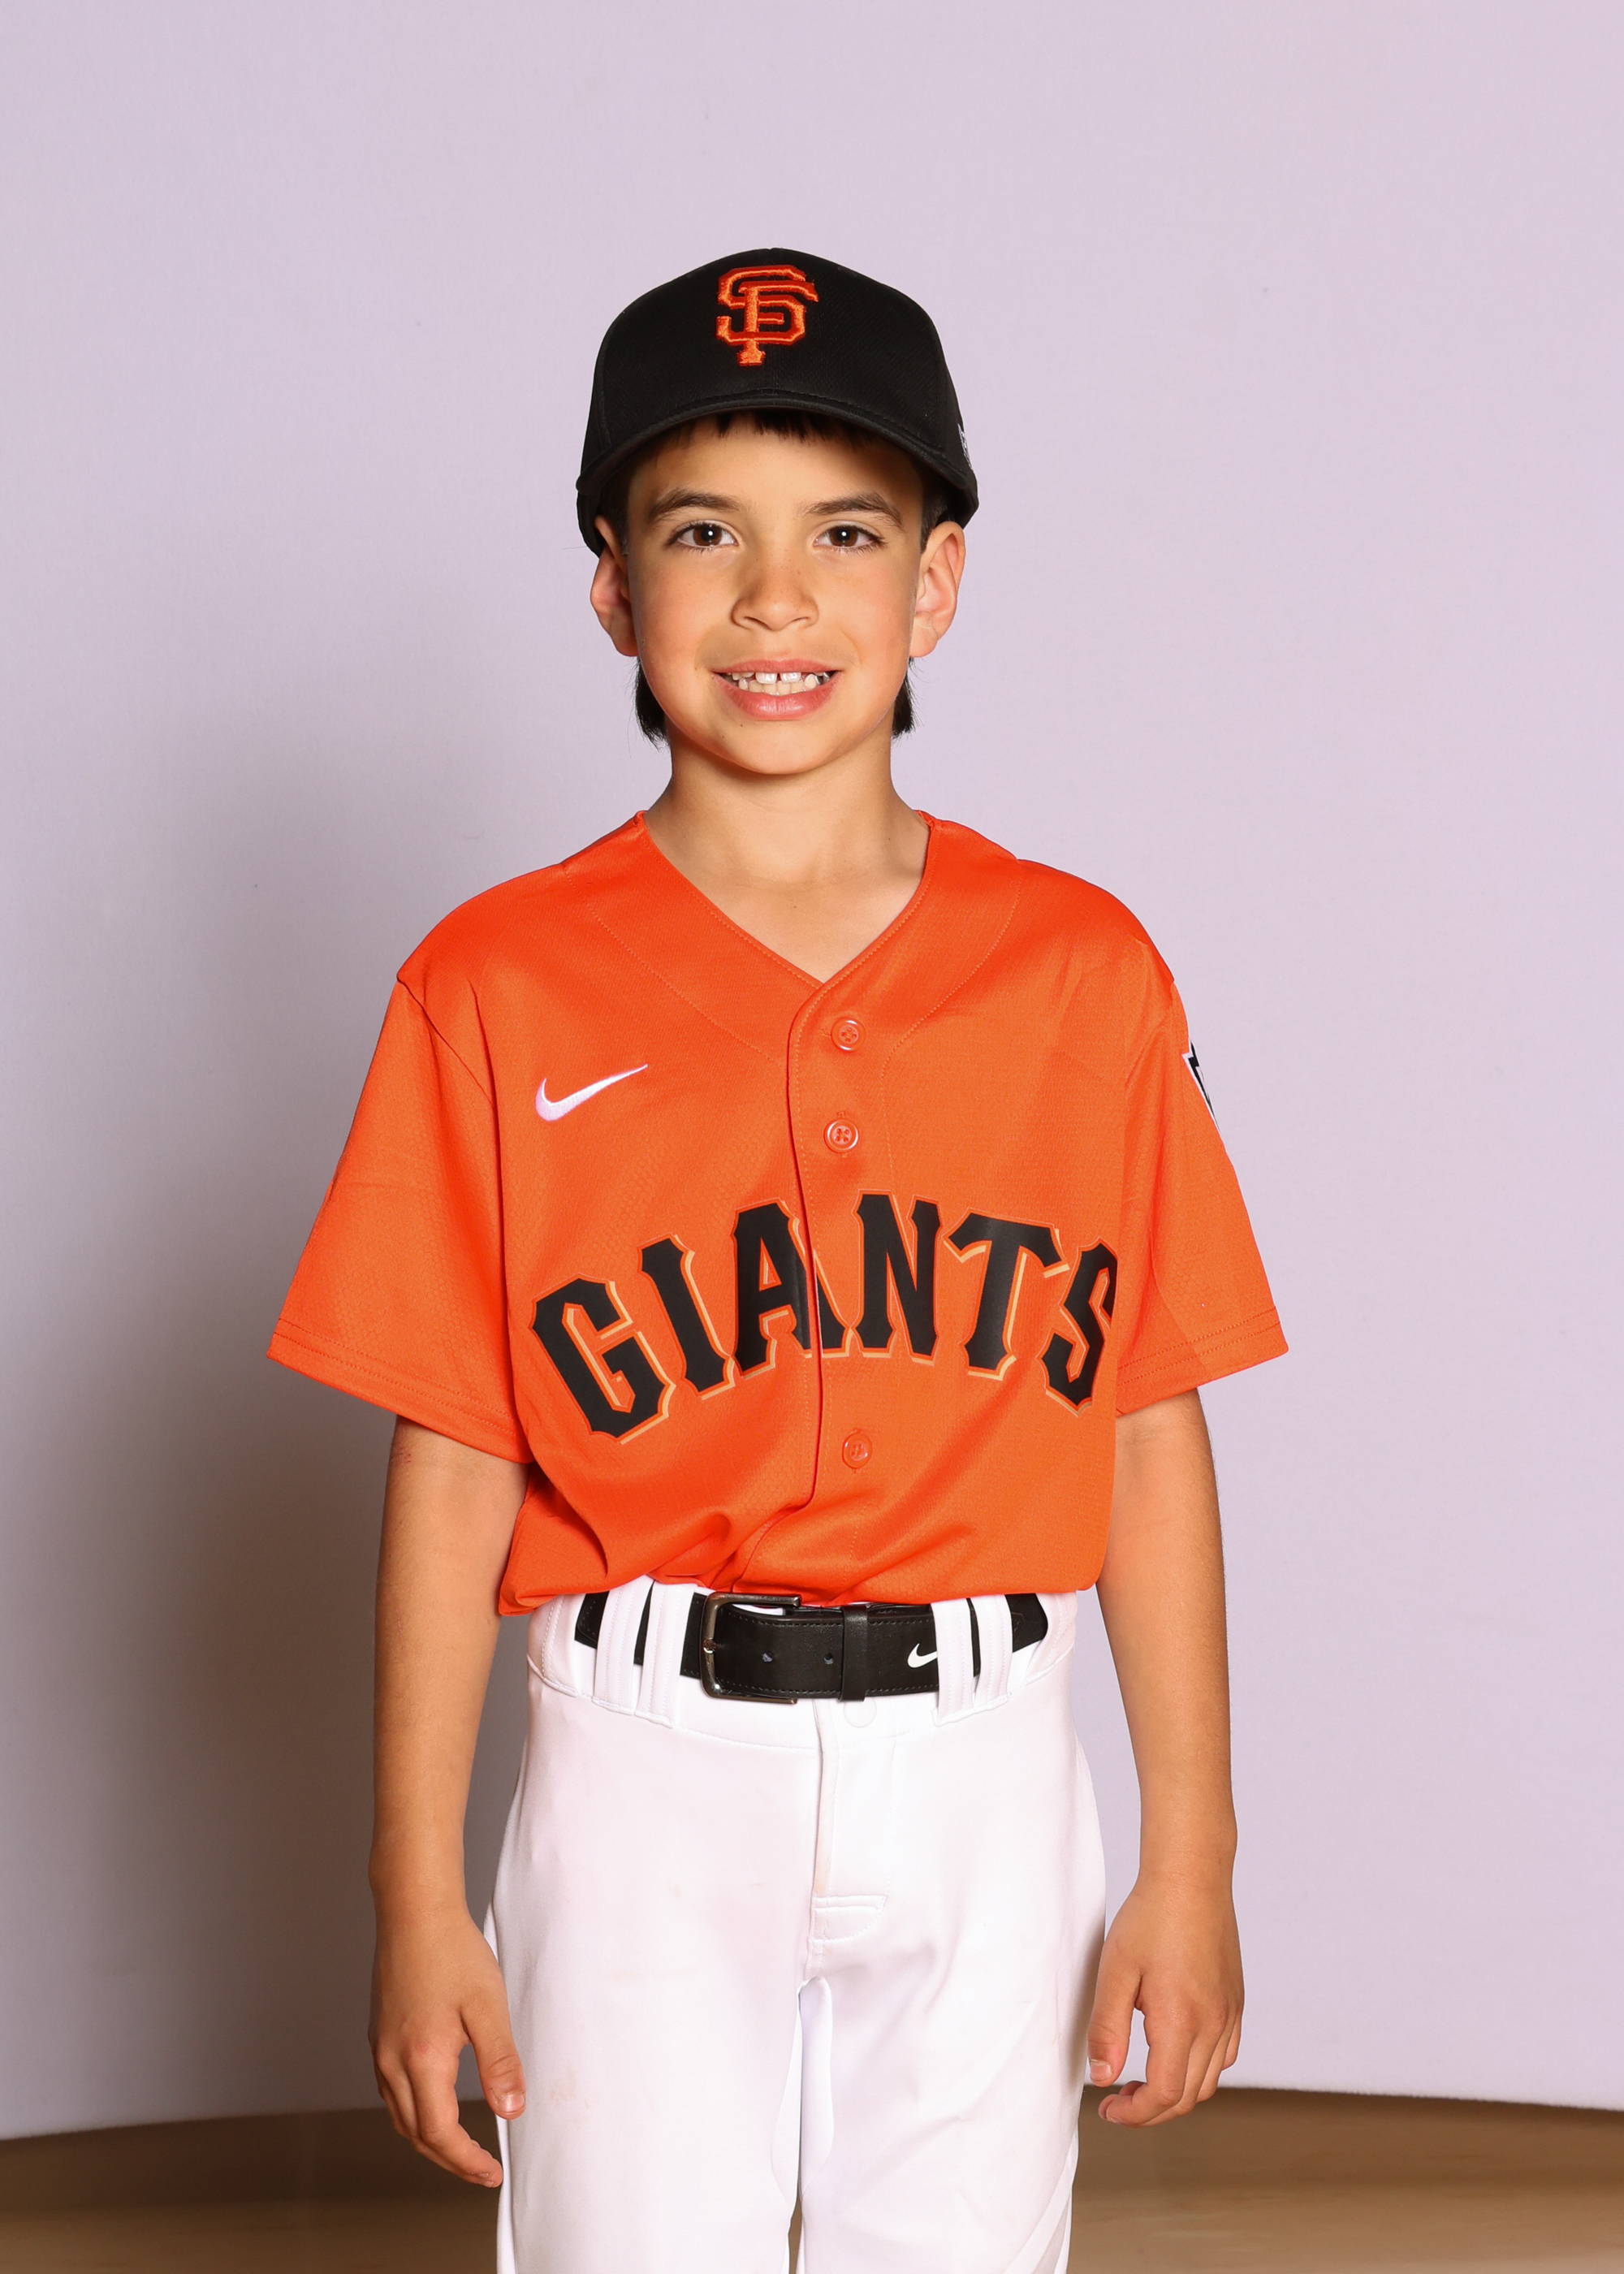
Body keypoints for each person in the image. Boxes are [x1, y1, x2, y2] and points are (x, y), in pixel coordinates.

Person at [270, 248, 1287, 2274]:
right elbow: (453, 1455)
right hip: (641, 1754)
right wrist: (414, 1888)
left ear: (936, 582)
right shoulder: (493, 981)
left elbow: (1144, 1421)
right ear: (610, 587)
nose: (771, 598)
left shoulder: (1081, 970)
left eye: (844, 531)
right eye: (698, 532)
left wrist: (1194, 1854)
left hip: (990, 1752)